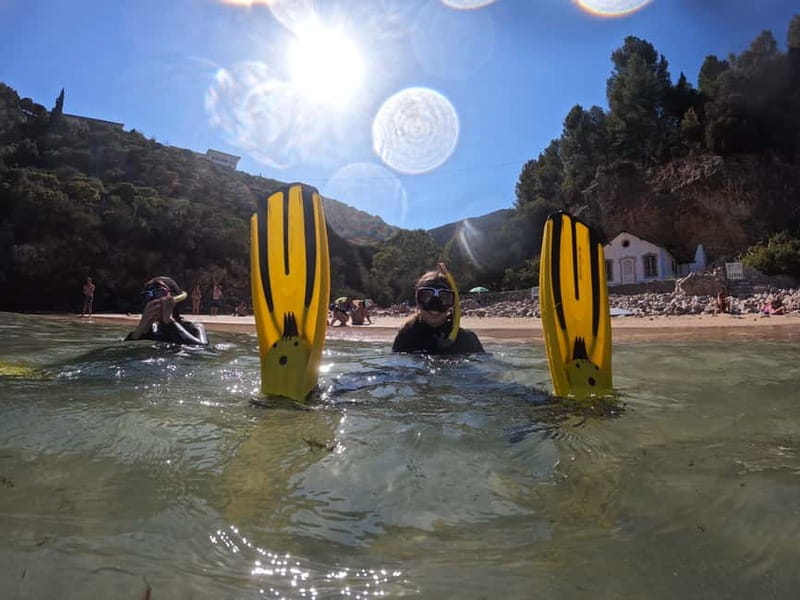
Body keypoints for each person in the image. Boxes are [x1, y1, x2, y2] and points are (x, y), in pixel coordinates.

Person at [392, 268, 484, 354]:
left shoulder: (467, 340)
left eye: (444, 298)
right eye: (427, 297)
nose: (435, 306)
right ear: (418, 300)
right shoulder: (406, 337)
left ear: (452, 303)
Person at [125, 276, 208, 345]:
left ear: (174, 297)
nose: (153, 299)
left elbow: (202, 349)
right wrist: (140, 329)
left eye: (159, 293)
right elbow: (127, 350)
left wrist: (170, 321)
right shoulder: (152, 329)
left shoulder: (195, 328)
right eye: (147, 296)